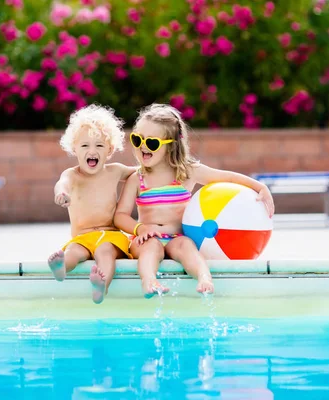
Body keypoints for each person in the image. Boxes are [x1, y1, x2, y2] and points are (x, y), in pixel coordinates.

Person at [114, 104, 275, 298]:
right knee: (151, 248)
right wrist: (140, 229)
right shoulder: (137, 179)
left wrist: (259, 187)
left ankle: (204, 277)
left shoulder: (186, 172)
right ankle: (149, 281)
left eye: (152, 143)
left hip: (176, 238)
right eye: (137, 139)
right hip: (145, 239)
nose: (143, 146)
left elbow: (226, 178)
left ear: (171, 144)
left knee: (187, 248)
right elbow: (120, 215)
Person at [48, 104, 135, 304]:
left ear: (110, 150)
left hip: (110, 234)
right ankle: (62, 268)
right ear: (74, 149)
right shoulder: (72, 175)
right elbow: (62, 184)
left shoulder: (115, 170)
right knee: (73, 252)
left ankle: (101, 287)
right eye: (85, 145)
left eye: (99, 145)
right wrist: (61, 193)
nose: (92, 151)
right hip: (82, 236)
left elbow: (140, 172)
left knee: (105, 251)